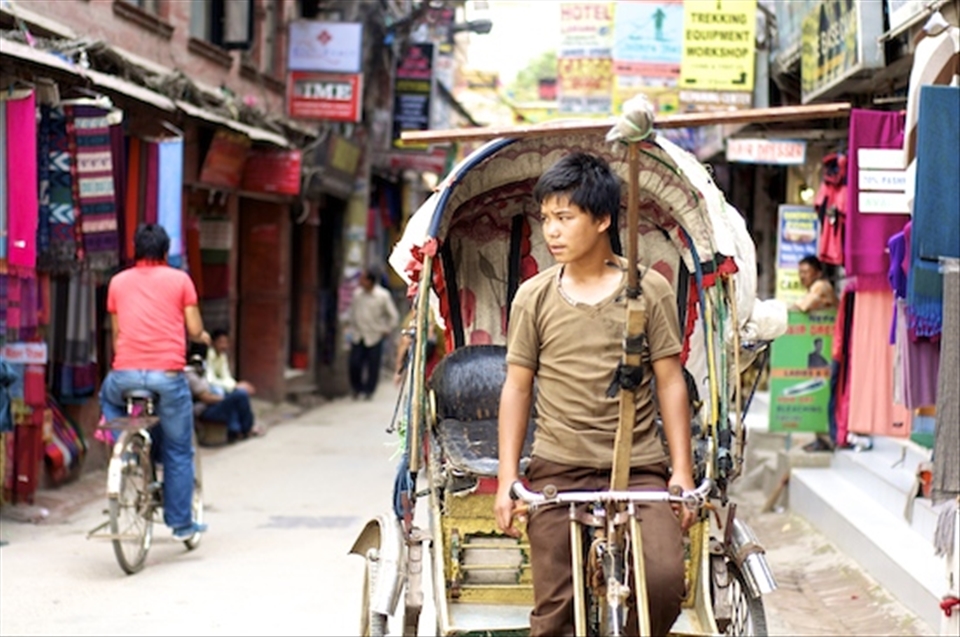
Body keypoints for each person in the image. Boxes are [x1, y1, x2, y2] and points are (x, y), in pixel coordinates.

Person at [494, 153, 694, 636]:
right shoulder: (533, 297)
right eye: (546, 218)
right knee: (555, 612)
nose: (552, 231)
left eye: (565, 218)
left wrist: (682, 472)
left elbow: (670, 380)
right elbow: (517, 387)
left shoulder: (649, 290)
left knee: (664, 582)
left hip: (638, 468)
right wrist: (506, 479)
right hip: (557, 469)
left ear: (602, 220)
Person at [99, 223, 210, 540]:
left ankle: (128, 449)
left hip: (124, 375)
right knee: (178, 450)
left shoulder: (118, 282)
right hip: (167, 376)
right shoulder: (180, 280)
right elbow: (193, 329)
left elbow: (117, 335)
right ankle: (181, 524)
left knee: (107, 398)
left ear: (135, 250)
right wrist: (203, 337)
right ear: (165, 251)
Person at [792, 255, 838, 452]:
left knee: (827, 392)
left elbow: (803, 306)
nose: (802, 276)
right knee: (819, 392)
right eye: (800, 272)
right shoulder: (815, 288)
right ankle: (821, 438)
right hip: (829, 345)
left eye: (806, 272)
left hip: (834, 345)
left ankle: (829, 437)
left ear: (817, 273)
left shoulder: (821, 286)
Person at [346, 268, 400, 399]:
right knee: (354, 364)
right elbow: (352, 312)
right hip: (358, 335)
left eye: (363, 279)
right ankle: (357, 388)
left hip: (375, 335)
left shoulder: (382, 295)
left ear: (370, 281)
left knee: (373, 366)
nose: (360, 281)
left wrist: (387, 329)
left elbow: (393, 316)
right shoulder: (357, 295)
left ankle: (369, 391)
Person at [185, 347, 256, 443]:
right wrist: (225, 398)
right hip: (204, 409)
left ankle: (236, 430)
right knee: (240, 395)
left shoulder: (202, 372)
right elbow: (206, 398)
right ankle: (246, 429)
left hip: (213, 402)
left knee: (236, 397)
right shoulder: (191, 375)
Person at [206, 328, 256, 396]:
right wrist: (233, 386)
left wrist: (237, 385)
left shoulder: (222, 356)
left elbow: (225, 375)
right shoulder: (208, 355)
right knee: (219, 392)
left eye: (226, 342)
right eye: (220, 342)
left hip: (218, 384)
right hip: (206, 386)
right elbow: (210, 380)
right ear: (213, 343)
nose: (224, 346)